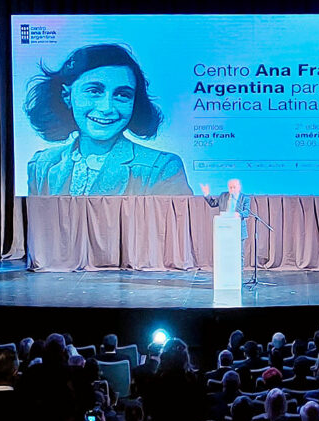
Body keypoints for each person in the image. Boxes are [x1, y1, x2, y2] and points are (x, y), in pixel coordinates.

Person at [26, 44, 192, 196]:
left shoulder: (162, 168)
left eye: (122, 95)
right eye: (94, 91)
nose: (107, 108)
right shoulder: (41, 165)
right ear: (67, 96)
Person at [201, 178, 251, 268]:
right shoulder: (223, 195)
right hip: (224, 229)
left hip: (239, 231)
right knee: (225, 254)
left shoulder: (245, 198)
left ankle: (239, 276)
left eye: (234, 187)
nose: (232, 189)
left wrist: (239, 214)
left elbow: (247, 212)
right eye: (230, 187)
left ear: (239, 187)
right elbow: (213, 203)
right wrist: (206, 194)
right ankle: (225, 273)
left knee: (239, 255)